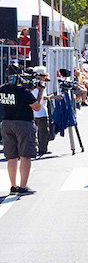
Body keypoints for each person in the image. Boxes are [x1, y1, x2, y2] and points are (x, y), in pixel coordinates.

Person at [1, 67, 45, 195]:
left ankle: (13, 186)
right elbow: (37, 107)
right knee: (25, 155)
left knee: (11, 156)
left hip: (7, 122)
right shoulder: (22, 91)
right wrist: (40, 93)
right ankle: (23, 186)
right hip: (23, 123)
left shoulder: (3, 88)